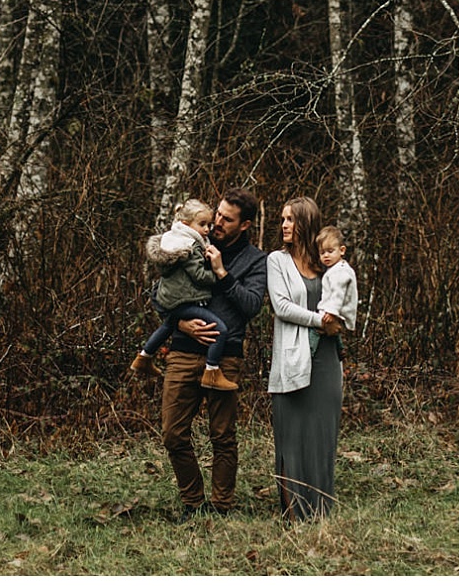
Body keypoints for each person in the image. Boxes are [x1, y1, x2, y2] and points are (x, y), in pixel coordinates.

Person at [158, 189, 266, 519]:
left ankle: (221, 506)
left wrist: (222, 272)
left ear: (244, 225)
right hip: (183, 350)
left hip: (226, 356)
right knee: (172, 433)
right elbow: (159, 293)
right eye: (217, 214)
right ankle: (193, 502)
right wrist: (181, 322)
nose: (217, 222)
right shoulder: (189, 242)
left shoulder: (255, 260)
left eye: (227, 219)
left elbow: (251, 306)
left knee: (222, 435)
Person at [266, 196, 346, 520]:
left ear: (306, 223)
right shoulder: (276, 261)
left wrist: (340, 321)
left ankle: (321, 507)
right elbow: (281, 306)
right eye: (282, 219)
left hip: (327, 357)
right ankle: (294, 511)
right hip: (293, 358)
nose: (284, 225)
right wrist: (320, 320)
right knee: (293, 434)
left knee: (322, 432)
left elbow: (343, 296)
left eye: (291, 219)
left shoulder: (326, 263)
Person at [129, 198, 235, 389]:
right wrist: (218, 273)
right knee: (221, 330)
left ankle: (143, 357)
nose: (207, 229)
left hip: (171, 300)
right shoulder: (190, 245)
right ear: (186, 224)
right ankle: (212, 372)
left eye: (209, 225)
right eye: (202, 224)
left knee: (169, 324)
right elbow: (199, 276)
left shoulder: (173, 240)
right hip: (185, 301)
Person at [313, 225, 358, 353]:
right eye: (322, 253)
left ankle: (311, 351)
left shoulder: (339, 271)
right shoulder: (337, 268)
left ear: (342, 250)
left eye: (330, 251)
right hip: (337, 311)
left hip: (338, 312)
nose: (326, 256)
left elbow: (338, 294)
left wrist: (332, 312)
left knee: (314, 329)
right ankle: (340, 348)